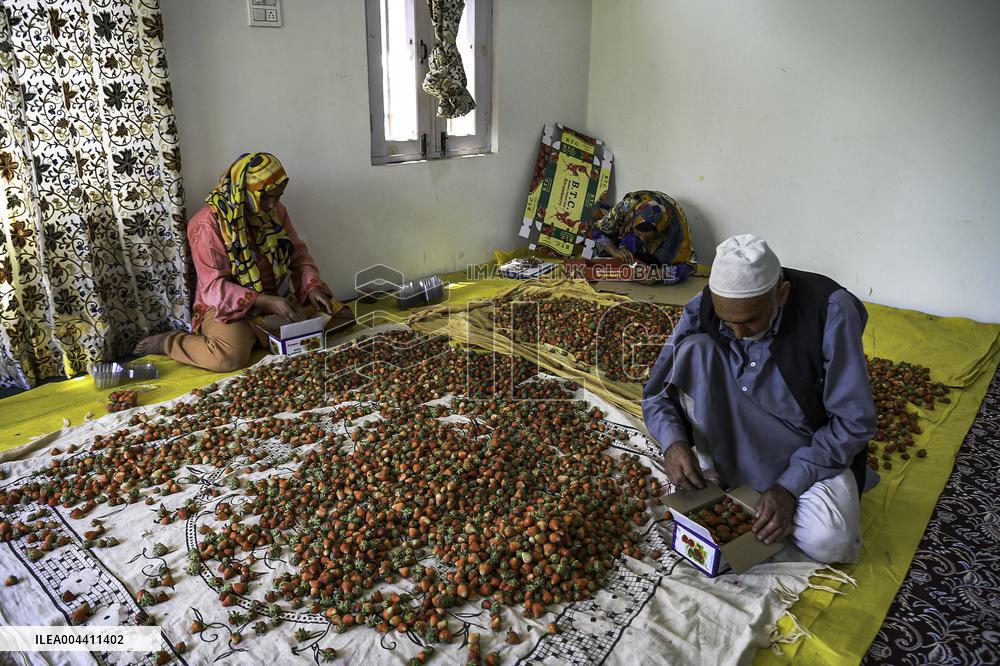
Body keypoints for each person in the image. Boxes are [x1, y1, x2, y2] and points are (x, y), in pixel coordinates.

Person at [641, 234, 875, 564]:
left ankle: (759, 489)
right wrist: (673, 442)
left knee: (830, 541)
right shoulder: (706, 304)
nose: (737, 334)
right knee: (695, 349)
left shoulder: (831, 313)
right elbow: (657, 392)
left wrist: (789, 488)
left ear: (781, 294)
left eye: (750, 322)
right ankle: (717, 469)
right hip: (731, 428)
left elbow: (854, 422)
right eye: (727, 323)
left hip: (805, 445)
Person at [133, 152, 354, 371]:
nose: (271, 205)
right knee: (227, 357)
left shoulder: (275, 212)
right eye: (265, 197)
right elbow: (213, 288)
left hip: (279, 298)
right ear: (242, 190)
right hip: (232, 307)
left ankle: (263, 336)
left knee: (342, 317)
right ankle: (169, 342)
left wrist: (311, 287)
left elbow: (297, 254)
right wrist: (263, 301)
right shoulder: (207, 223)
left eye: (278, 196)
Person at [590, 190, 698, 285]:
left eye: (648, 237)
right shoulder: (627, 207)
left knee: (669, 265)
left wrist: (659, 274)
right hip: (628, 232)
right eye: (638, 234)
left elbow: (691, 266)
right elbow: (596, 230)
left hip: (661, 245)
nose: (642, 239)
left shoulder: (677, 229)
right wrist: (614, 250)